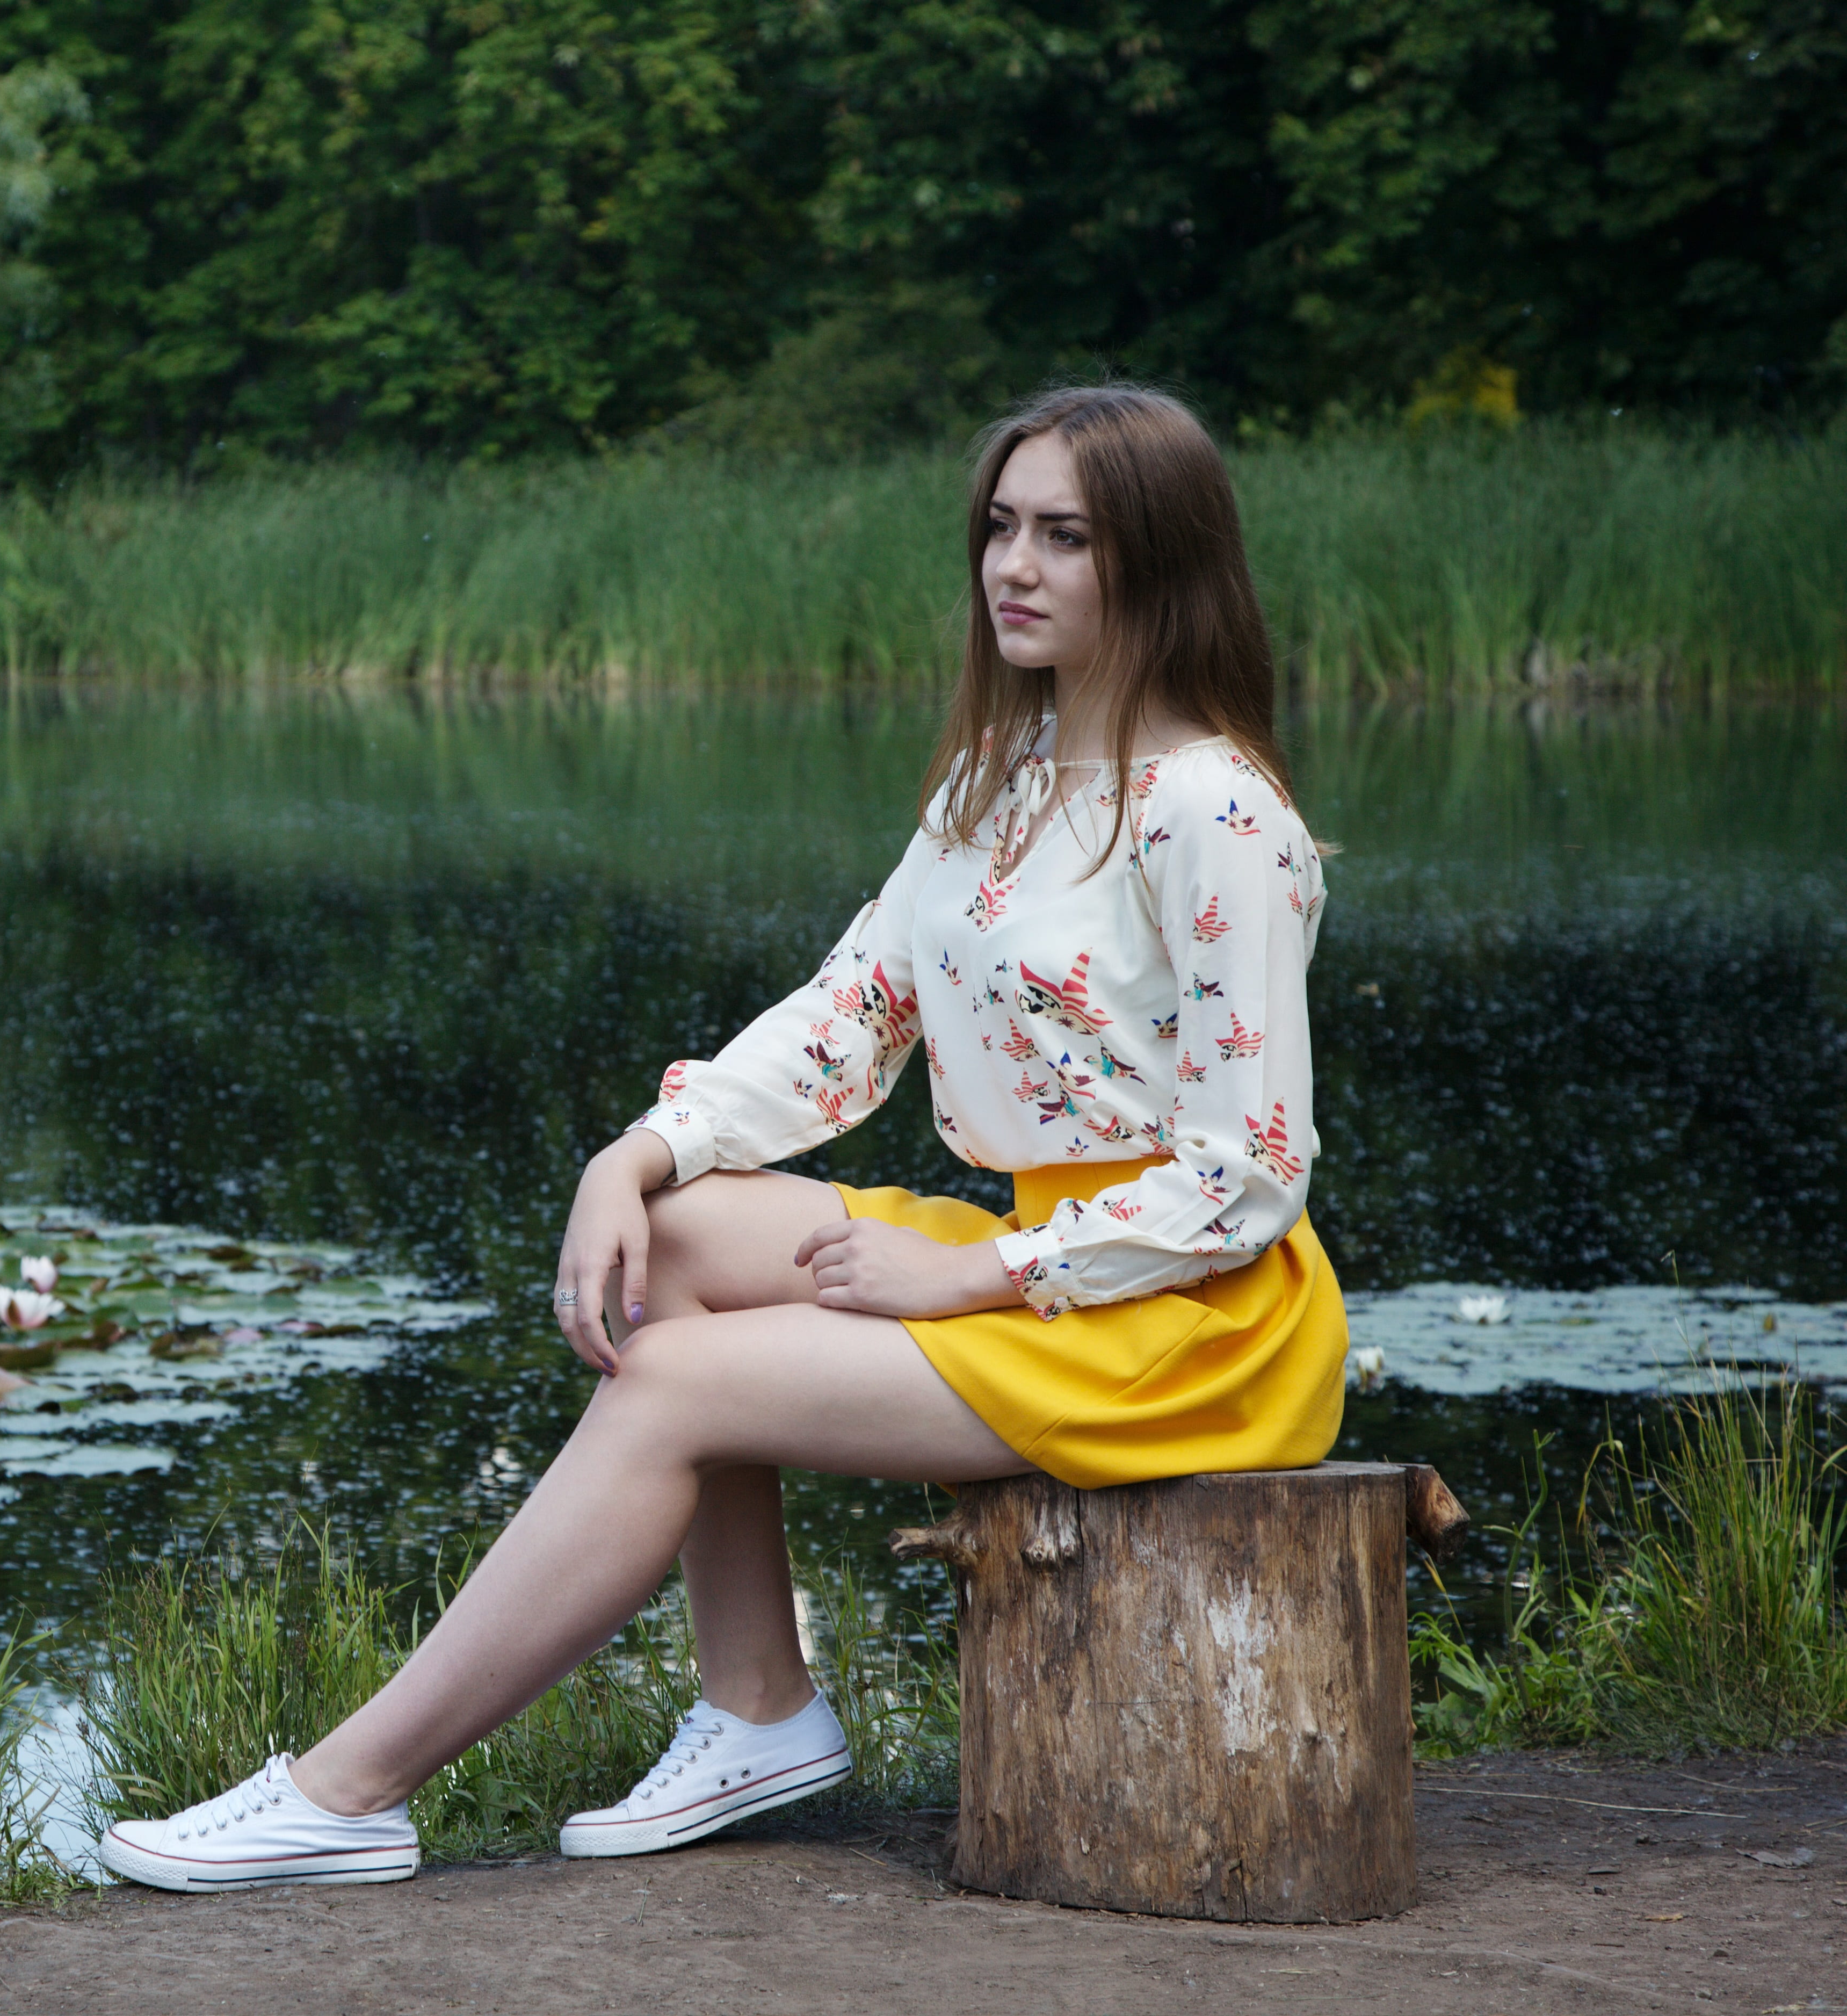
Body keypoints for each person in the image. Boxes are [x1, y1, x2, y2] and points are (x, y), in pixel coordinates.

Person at [97, 383, 1349, 1892]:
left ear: (1161, 560)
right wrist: (634, 1154)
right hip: (1044, 1253)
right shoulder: (999, 782)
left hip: (1185, 1314)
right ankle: (758, 1705)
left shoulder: (1215, 811)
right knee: (673, 1242)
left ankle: (349, 1789)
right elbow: (849, 1016)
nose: (1012, 567)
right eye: (1000, 527)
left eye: (1065, 538)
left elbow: (1245, 1174)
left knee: (677, 1379)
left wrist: (974, 1275)